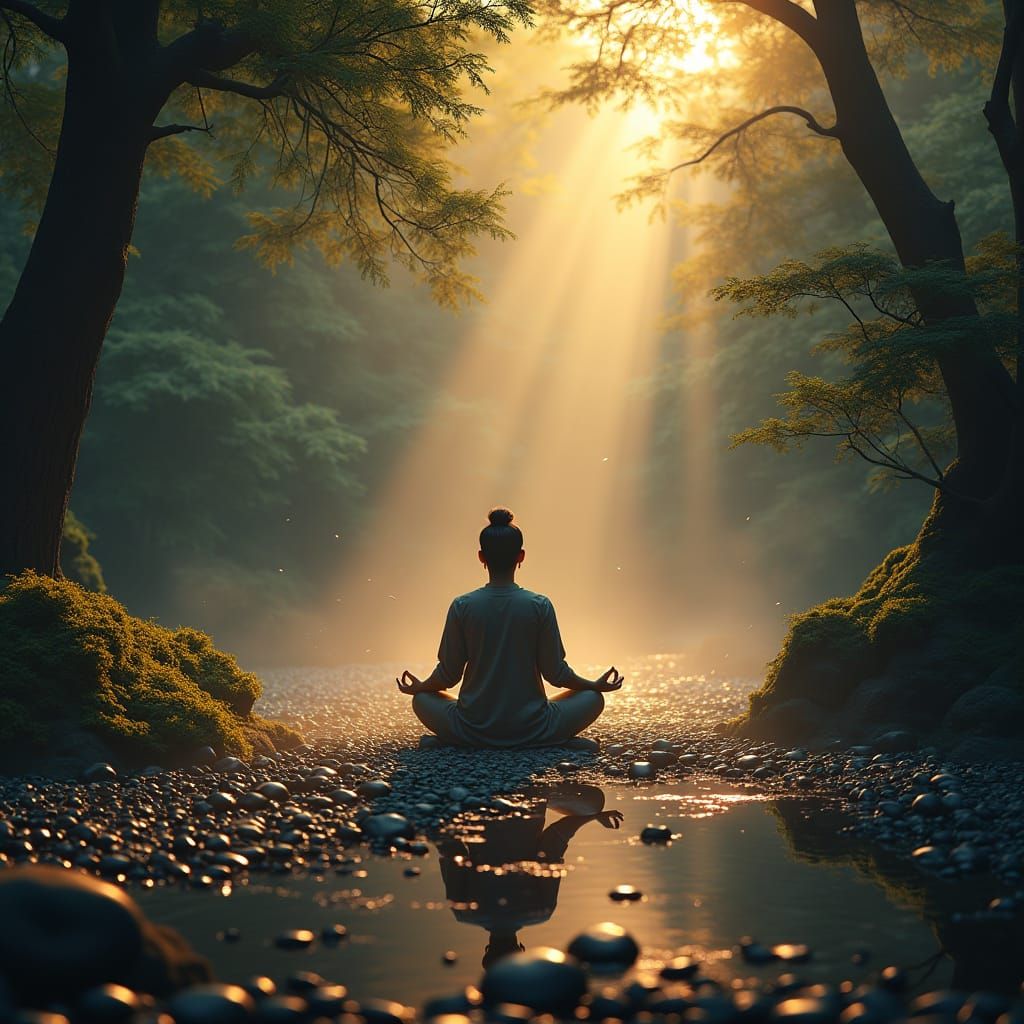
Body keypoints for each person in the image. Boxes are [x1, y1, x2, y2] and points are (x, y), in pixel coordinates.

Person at [395, 507, 624, 748]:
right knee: (593, 699)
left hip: (472, 727)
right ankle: (553, 740)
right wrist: (593, 685)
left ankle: (455, 740)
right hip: (533, 727)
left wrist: (420, 688)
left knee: (421, 700)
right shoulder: (539, 605)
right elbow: (555, 673)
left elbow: (448, 675)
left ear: (481, 557)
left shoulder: (462, 605)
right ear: (521, 556)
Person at [436, 784, 623, 967]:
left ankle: (547, 792)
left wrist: (594, 816)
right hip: (477, 795)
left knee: (594, 803)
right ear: (487, 949)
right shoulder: (463, 913)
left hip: (530, 793)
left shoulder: (541, 911)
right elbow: (449, 845)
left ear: (520, 950)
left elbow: (553, 840)